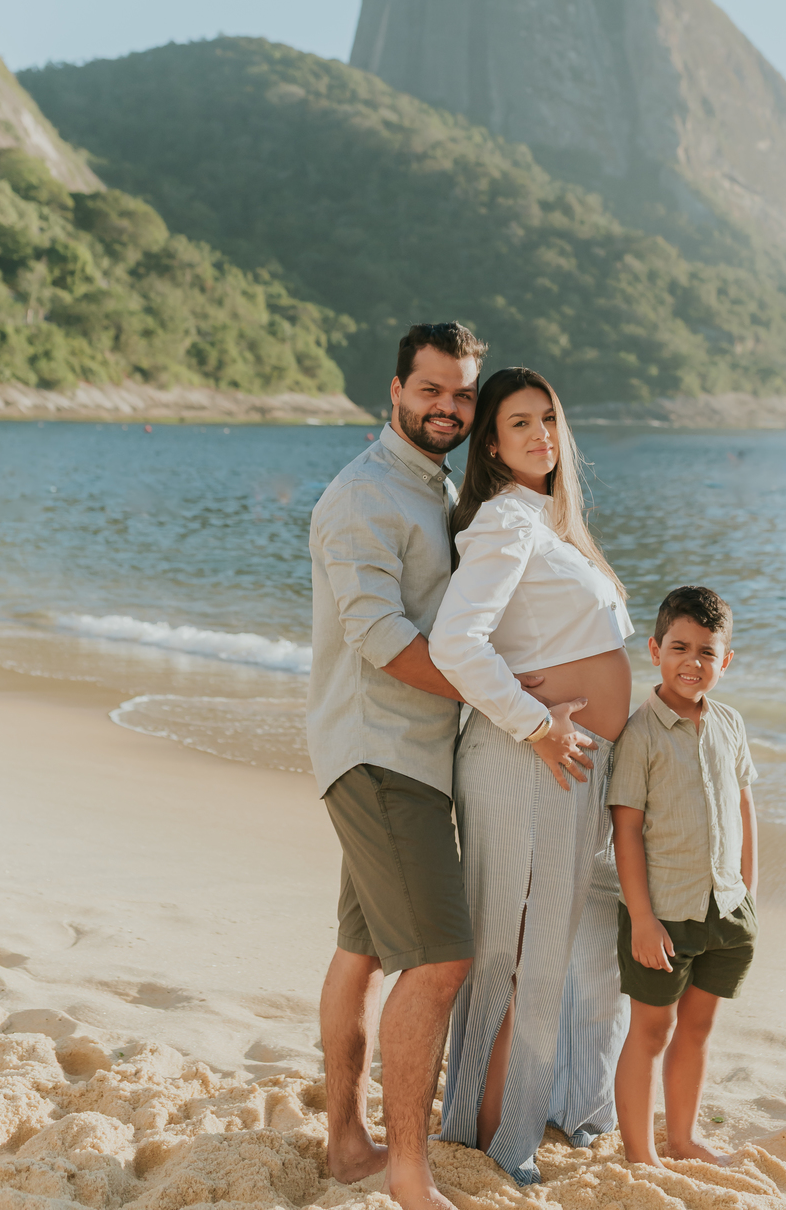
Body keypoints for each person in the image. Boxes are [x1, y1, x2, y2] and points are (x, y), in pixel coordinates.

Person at [307, 321, 507, 1210]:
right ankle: (409, 1176)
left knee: (361, 953)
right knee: (440, 961)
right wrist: (505, 700)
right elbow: (381, 637)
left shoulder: (436, 488)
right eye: (431, 390)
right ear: (395, 391)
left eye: (462, 394)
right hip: (380, 753)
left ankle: (349, 1145)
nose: (448, 408)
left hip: (408, 755)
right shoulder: (363, 496)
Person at [428, 366, 634, 1187]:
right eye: (520, 423)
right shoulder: (505, 522)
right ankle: (496, 1149)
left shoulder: (549, 524)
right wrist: (537, 723)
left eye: (548, 418)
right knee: (515, 960)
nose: (542, 434)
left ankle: (490, 1138)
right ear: (491, 445)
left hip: (565, 765)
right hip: (530, 761)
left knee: (534, 959)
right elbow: (455, 642)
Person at [608, 586, 759, 1168]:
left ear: (726, 660)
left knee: (697, 1030)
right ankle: (640, 1153)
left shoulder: (730, 724)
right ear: (654, 651)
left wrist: (748, 891)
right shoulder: (640, 734)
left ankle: (683, 1138)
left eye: (706, 652)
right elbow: (626, 831)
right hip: (664, 914)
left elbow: (744, 808)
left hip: (726, 910)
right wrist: (642, 919)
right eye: (679, 648)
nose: (692, 662)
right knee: (651, 1032)